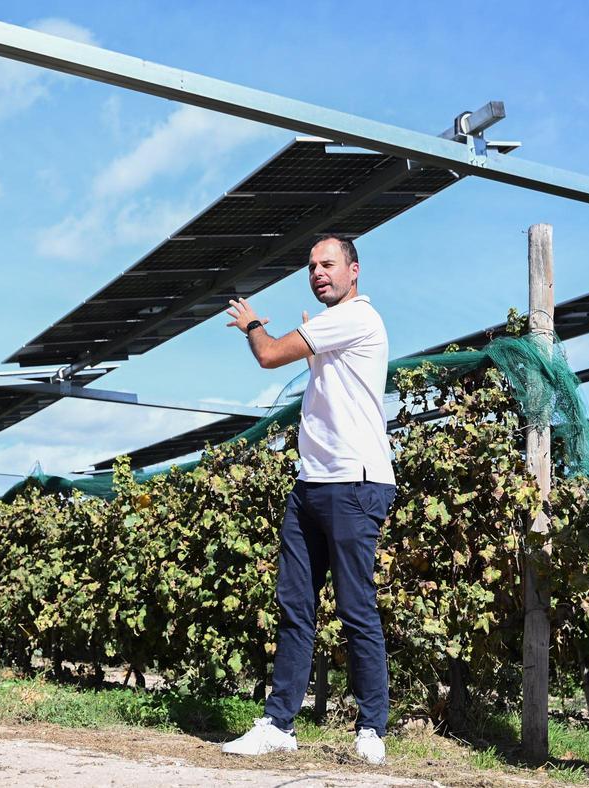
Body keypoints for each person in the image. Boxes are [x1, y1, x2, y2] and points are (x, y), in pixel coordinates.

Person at [220, 234, 396, 765]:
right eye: (312, 267)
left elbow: (271, 355)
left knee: (355, 606)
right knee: (295, 606)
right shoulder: (331, 325)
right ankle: (278, 724)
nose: (319, 273)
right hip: (312, 482)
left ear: (354, 271)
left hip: (355, 481)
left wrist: (253, 323)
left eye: (328, 265)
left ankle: (371, 729)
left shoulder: (358, 317)